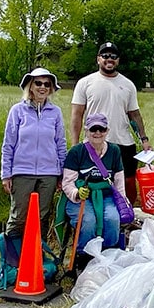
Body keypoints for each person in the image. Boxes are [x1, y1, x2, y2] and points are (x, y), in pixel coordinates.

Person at [70, 42, 151, 206]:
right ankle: (97, 215)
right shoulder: (85, 83)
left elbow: (134, 114)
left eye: (113, 56)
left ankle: (126, 214)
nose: (109, 59)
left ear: (118, 60)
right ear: (98, 59)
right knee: (94, 181)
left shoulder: (128, 85)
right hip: (94, 142)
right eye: (105, 56)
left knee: (128, 181)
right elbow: (77, 115)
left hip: (123, 142)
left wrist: (144, 139)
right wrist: (75, 144)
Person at [1, 67, 67, 239]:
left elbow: (60, 143)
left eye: (47, 84)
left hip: (49, 174)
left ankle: (38, 258)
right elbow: (8, 144)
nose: (42, 87)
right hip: (22, 172)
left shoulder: (56, 113)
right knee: (18, 217)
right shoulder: (17, 111)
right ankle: (12, 260)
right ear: (30, 86)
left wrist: (63, 175)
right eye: (38, 83)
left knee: (42, 217)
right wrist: (6, 174)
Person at [61, 113, 124, 265]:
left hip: (106, 196)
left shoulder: (114, 151)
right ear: (86, 131)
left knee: (112, 219)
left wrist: (123, 202)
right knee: (88, 221)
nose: (97, 133)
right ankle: (83, 256)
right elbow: (67, 182)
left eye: (101, 129)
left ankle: (108, 255)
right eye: (93, 129)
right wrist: (77, 193)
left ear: (107, 131)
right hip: (82, 197)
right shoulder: (77, 152)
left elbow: (119, 180)